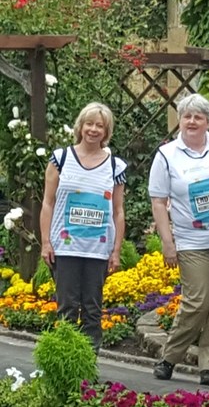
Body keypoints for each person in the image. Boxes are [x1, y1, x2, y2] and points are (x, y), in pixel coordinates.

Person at [148, 93, 209, 386]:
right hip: (190, 240)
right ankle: (169, 357)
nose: (192, 121)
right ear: (179, 120)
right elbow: (159, 202)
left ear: (207, 122)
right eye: (187, 116)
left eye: (198, 116)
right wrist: (167, 241)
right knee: (197, 301)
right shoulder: (166, 155)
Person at [40, 102, 126, 354]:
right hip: (65, 248)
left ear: (107, 130)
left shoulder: (115, 167)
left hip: (97, 251)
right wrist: (46, 242)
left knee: (92, 310)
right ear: (81, 126)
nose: (93, 129)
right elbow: (48, 202)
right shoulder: (61, 159)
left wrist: (116, 250)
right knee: (66, 308)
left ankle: (88, 367)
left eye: (100, 125)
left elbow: (119, 212)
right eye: (89, 123)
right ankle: (64, 363)